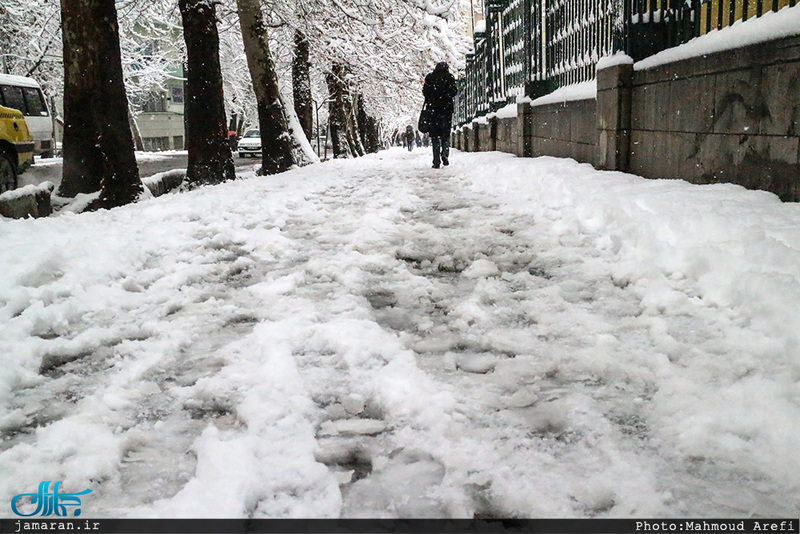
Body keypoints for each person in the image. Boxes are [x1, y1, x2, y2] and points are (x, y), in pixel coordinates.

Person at [422, 61, 457, 168]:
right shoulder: (449, 77)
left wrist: (433, 97)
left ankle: (436, 160)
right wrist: (445, 95)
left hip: (433, 111)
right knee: (445, 135)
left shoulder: (430, 77)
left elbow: (425, 92)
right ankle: (445, 154)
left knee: (435, 136)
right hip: (446, 111)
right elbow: (454, 92)